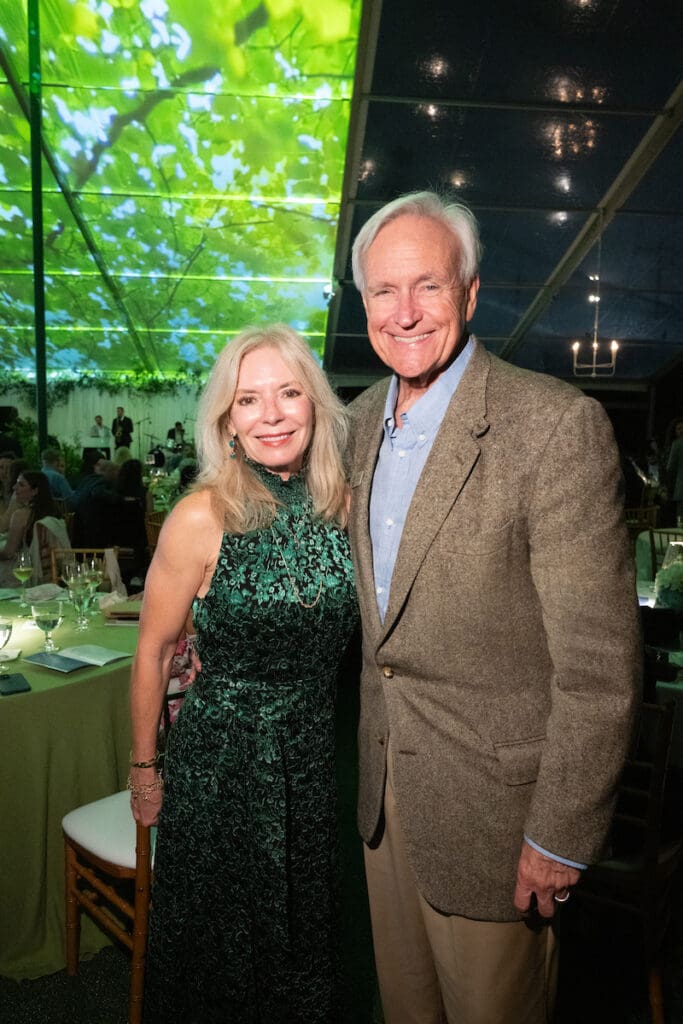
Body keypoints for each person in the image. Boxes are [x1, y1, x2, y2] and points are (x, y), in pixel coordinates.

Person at [346, 191, 641, 1024]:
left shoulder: (552, 427)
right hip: (383, 799)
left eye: (427, 287)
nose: (403, 314)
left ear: (470, 294)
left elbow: (600, 669)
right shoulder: (357, 421)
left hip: (498, 818)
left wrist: (558, 834)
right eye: (381, 292)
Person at [129, 324, 358, 1023]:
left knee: (302, 936)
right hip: (223, 765)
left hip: (317, 759)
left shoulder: (340, 506)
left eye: (289, 393)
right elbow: (153, 651)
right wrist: (145, 771)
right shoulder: (202, 515)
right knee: (221, 946)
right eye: (249, 400)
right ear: (226, 420)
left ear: (315, 405)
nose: (273, 414)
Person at [0, 470, 69, 585]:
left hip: (22, 573)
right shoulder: (54, 514)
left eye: (21, 485)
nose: (14, 487)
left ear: (35, 491)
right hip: (49, 572)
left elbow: (9, 553)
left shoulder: (20, 515)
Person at [666, 418, 683, 525]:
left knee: (680, 520)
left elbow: (670, 467)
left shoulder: (677, 444)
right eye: (679, 428)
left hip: (681, 488)